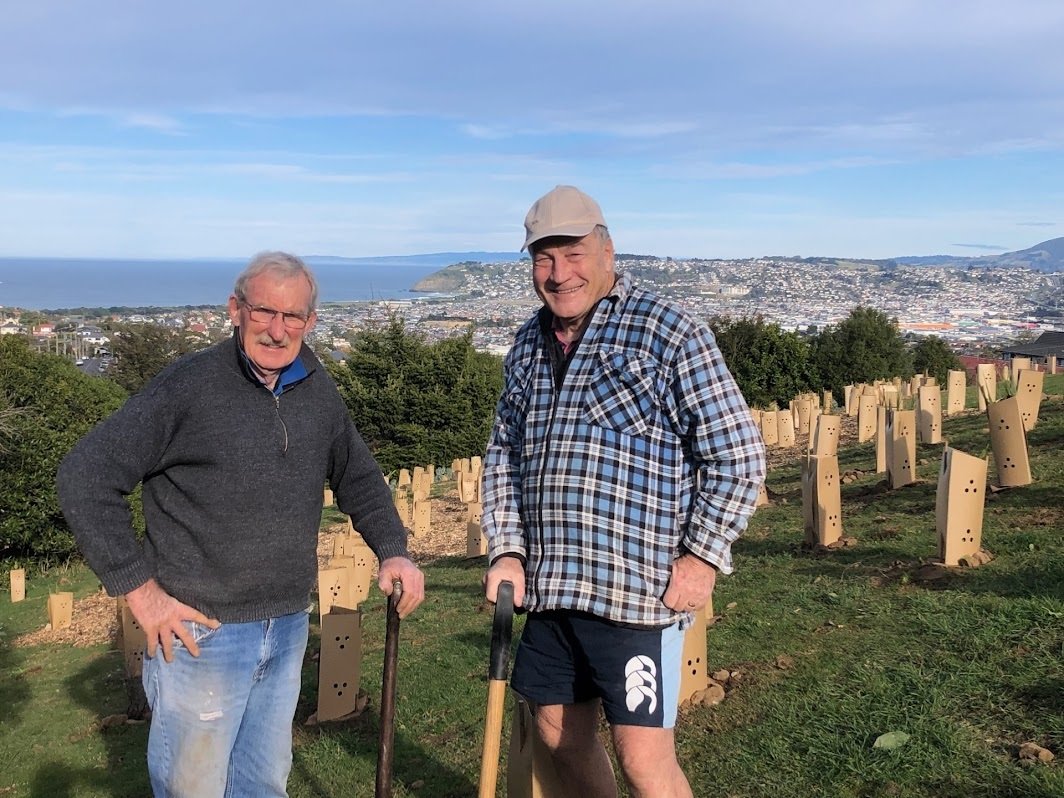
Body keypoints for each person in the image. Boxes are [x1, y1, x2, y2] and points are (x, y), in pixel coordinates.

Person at [57, 252, 424, 798]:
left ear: (311, 321)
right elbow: (85, 475)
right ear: (235, 309)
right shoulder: (189, 386)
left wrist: (393, 548)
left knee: (262, 784)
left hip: (286, 627)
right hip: (201, 634)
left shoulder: (316, 387)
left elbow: (359, 476)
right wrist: (141, 592)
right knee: (194, 788)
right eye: (264, 312)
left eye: (293, 316)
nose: (277, 331)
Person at [482, 186, 766, 798]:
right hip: (553, 589)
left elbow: (738, 455)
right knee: (558, 734)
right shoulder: (527, 346)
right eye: (544, 258)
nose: (560, 274)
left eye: (574, 253)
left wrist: (703, 555)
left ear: (608, 249)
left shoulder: (669, 333)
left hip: (637, 592)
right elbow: (503, 452)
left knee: (643, 757)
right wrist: (506, 549)